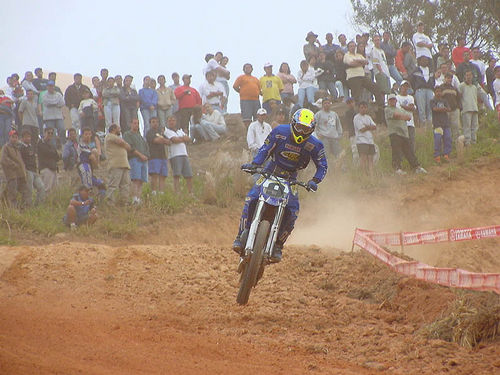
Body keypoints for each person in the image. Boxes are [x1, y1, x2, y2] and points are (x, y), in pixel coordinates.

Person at [233, 108, 327, 263]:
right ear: (293, 124)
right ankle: (241, 234)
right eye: (299, 127)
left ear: (312, 130)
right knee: (251, 198)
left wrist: (314, 181)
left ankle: (277, 245)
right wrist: (255, 164)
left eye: (306, 129)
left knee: (293, 211)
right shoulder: (279, 132)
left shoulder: (315, 145)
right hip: (270, 171)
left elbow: (322, 165)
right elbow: (265, 149)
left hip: (291, 179)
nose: (302, 132)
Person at [385, 94, 426, 175]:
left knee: (409, 151)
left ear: (396, 100)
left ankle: (416, 167)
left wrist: (400, 116)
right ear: (388, 101)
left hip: (404, 133)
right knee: (396, 152)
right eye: (391, 100)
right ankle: (397, 169)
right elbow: (396, 115)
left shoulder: (399, 109)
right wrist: (401, 117)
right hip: (394, 133)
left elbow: (409, 117)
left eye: (393, 99)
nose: (392, 101)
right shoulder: (387, 109)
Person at [344, 41, 384, 121]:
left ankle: (380, 109)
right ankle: (356, 116)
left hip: (362, 76)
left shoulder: (359, 55)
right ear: (348, 47)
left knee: (376, 87)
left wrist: (357, 62)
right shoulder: (346, 55)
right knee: (356, 96)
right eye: (351, 46)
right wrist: (360, 63)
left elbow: (366, 62)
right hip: (353, 77)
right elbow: (351, 63)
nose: (352, 47)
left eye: (354, 46)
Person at [164, 115, 193, 194]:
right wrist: (183, 139)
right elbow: (174, 140)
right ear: (167, 122)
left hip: (184, 154)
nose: (171, 122)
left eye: (173, 120)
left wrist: (181, 139)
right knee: (176, 175)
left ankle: (190, 193)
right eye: (170, 121)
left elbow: (189, 139)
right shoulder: (167, 131)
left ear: (176, 122)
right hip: (174, 155)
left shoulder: (180, 131)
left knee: (189, 175)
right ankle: (177, 192)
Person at [123, 118, 149, 204]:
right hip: (134, 159)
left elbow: (146, 147)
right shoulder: (127, 134)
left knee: (141, 180)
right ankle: (134, 198)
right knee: (135, 179)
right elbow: (130, 147)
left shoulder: (140, 136)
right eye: (134, 123)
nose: (136, 125)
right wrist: (140, 155)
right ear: (131, 124)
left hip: (143, 161)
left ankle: (138, 197)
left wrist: (146, 156)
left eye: (137, 123)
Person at [104, 124, 132, 203]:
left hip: (124, 164)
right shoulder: (110, 136)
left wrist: (126, 145)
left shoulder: (116, 137)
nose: (120, 130)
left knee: (125, 185)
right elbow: (122, 143)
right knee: (113, 185)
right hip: (115, 164)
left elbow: (128, 147)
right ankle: (110, 202)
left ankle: (124, 202)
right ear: (113, 129)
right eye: (118, 128)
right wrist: (126, 144)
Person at [0, 130, 27, 208]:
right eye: (13, 137)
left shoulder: (17, 148)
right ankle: (13, 210)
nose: (14, 139)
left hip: (20, 174)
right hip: (11, 175)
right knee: (12, 194)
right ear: (9, 137)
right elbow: (3, 159)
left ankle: (22, 208)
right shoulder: (6, 147)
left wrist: (23, 171)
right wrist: (13, 165)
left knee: (23, 192)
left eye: (16, 137)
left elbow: (21, 162)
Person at [77, 127, 106, 197]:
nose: (88, 136)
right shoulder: (81, 144)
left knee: (101, 185)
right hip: (84, 166)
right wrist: (97, 165)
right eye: (86, 134)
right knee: (87, 187)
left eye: (89, 134)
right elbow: (92, 157)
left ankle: (99, 200)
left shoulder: (90, 145)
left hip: (90, 168)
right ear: (82, 135)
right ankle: (86, 202)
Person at [19, 129, 45, 206]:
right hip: (27, 170)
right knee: (28, 190)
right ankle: (27, 207)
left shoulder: (31, 147)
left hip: (34, 170)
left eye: (29, 136)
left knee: (41, 187)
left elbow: (34, 159)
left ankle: (38, 205)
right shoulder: (21, 148)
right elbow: (20, 161)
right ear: (22, 138)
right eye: (26, 137)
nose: (28, 138)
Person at [145, 117, 170, 194]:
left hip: (163, 156)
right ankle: (154, 192)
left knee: (163, 175)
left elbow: (169, 141)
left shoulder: (161, 132)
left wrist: (162, 139)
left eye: (156, 122)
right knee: (154, 175)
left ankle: (161, 193)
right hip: (154, 156)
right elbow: (156, 140)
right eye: (153, 122)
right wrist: (162, 140)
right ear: (150, 123)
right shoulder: (149, 133)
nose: (155, 123)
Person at [233, 63, 261, 127]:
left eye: (249, 67)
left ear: (252, 69)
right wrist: (241, 92)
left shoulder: (256, 79)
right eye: (246, 68)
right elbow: (235, 86)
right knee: (247, 119)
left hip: (256, 100)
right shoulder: (241, 77)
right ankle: (247, 132)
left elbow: (259, 90)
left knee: (257, 118)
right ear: (244, 69)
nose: (248, 69)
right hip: (245, 100)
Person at [353, 102, 377, 176]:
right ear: (359, 108)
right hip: (361, 141)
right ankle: (364, 175)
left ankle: (371, 175)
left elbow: (375, 127)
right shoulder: (356, 117)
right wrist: (369, 127)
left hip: (370, 141)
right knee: (363, 158)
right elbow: (362, 129)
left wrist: (367, 127)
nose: (363, 109)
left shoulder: (368, 117)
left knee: (371, 158)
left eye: (365, 107)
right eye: (362, 107)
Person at [411, 56, 435, 127]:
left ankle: (429, 125)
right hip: (420, 90)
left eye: (426, 60)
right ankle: (423, 126)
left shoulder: (430, 70)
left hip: (429, 90)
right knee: (421, 109)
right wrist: (415, 89)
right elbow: (412, 80)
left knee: (430, 108)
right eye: (423, 60)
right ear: (420, 61)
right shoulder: (416, 70)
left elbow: (433, 81)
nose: (425, 61)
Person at [430, 86, 451, 163]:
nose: (438, 93)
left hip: (446, 123)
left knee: (448, 138)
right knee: (438, 140)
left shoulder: (445, 101)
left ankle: (446, 155)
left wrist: (440, 109)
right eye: (437, 91)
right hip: (437, 124)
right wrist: (443, 109)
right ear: (435, 92)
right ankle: (437, 156)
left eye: (440, 91)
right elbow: (434, 109)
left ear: (442, 93)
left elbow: (449, 109)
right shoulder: (432, 101)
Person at [42, 80, 66, 146]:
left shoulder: (58, 94)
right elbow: (47, 103)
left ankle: (62, 145)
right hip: (48, 117)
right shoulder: (44, 95)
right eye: (49, 86)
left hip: (58, 116)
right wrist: (56, 103)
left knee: (62, 129)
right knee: (51, 133)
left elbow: (62, 103)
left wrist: (52, 103)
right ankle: (52, 147)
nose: (50, 88)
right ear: (47, 87)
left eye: (52, 86)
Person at [440, 73, 462, 143]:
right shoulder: (441, 88)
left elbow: (459, 99)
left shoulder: (454, 88)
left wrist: (459, 108)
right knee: (445, 127)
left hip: (454, 110)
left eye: (450, 78)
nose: (449, 79)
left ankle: (457, 144)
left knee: (456, 127)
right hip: (445, 111)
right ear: (445, 78)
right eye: (448, 78)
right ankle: (446, 143)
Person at [459, 70, 479, 145]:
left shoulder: (474, 87)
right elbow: (459, 96)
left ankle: (474, 142)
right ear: (465, 76)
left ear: (472, 76)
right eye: (467, 75)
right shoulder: (462, 86)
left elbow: (475, 98)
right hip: (466, 108)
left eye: (470, 75)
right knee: (467, 127)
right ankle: (467, 143)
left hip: (474, 108)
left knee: (475, 127)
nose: (468, 77)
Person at [396, 81, 417, 153]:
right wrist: (408, 107)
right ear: (400, 87)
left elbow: (412, 108)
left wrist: (403, 106)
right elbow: (398, 109)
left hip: (410, 123)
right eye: (403, 86)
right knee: (401, 142)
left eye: (406, 86)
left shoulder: (411, 97)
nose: (405, 88)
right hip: (401, 123)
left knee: (411, 141)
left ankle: (413, 159)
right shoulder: (397, 97)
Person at [38, 127, 60, 193]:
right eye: (48, 133)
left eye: (52, 133)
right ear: (44, 133)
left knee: (55, 191)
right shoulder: (40, 143)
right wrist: (54, 153)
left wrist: (54, 154)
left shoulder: (52, 144)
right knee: (46, 190)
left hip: (53, 168)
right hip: (46, 169)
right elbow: (47, 153)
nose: (50, 134)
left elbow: (57, 157)